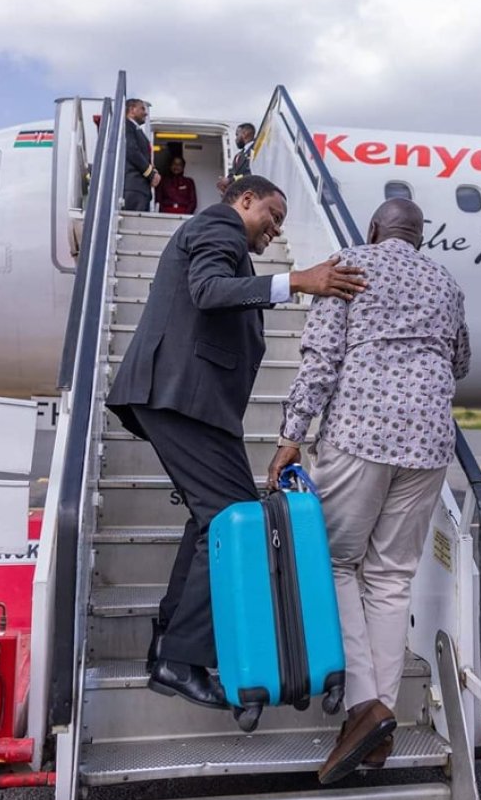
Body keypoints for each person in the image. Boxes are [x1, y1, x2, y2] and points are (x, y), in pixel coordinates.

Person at [106, 176, 367, 709]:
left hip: (189, 403)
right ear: (243, 200)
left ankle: (168, 647)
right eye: (271, 214)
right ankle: (181, 659)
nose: (275, 229)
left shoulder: (228, 241)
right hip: (179, 397)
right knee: (230, 515)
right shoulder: (217, 225)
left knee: (212, 520)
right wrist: (297, 281)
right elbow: (207, 291)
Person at [266, 197, 470, 784]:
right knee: (391, 575)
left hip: (361, 432)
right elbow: (459, 362)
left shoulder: (349, 266)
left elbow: (321, 359)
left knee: (336, 562)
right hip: (430, 441)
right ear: (420, 235)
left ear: (374, 229)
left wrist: (290, 436)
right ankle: (376, 720)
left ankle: (364, 706)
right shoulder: (446, 282)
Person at [123, 98, 160, 212]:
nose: (146, 113)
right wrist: (151, 174)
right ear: (132, 110)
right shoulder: (126, 126)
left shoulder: (135, 129)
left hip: (140, 190)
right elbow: (132, 151)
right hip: (134, 188)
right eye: (142, 108)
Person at [217, 122, 255, 194]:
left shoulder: (256, 150)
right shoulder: (239, 155)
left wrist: (230, 180)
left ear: (245, 134)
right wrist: (225, 184)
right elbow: (234, 173)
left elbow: (252, 173)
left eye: (237, 135)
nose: (236, 139)